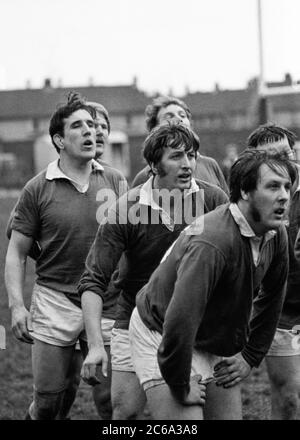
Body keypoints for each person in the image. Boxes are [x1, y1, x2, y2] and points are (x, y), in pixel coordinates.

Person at [129, 149, 296, 420]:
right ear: (244, 190)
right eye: (273, 186)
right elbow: (179, 320)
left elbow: (273, 296)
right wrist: (180, 384)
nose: (284, 196)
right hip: (162, 332)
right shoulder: (213, 242)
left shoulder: (276, 233)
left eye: (287, 187)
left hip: (213, 335)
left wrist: (250, 355)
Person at [78, 122, 229, 420]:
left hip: (199, 322)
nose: (187, 165)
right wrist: (95, 345)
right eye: (176, 156)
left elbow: (236, 271)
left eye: (191, 155)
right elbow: (93, 281)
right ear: (152, 164)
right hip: (136, 319)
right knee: (124, 413)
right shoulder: (125, 209)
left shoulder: (213, 201)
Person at [4, 92, 127, 420]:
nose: (90, 131)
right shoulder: (37, 188)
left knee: (109, 402)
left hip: (107, 301)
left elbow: (134, 245)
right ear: (59, 139)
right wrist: (17, 306)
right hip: (55, 301)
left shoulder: (115, 181)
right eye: (78, 126)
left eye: (92, 124)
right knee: (47, 404)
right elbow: (15, 253)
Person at [247, 123, 300, 419]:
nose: (284, 162)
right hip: (281, 312)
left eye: (287, 153)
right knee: (289, 399)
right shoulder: (251, 202)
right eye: (272, 157)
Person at [131, 95, 229, 194]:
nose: (178, 119)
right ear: (154, 129)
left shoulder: (210, 164)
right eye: (169, 116)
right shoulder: (144, 177)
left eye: (182, 115)